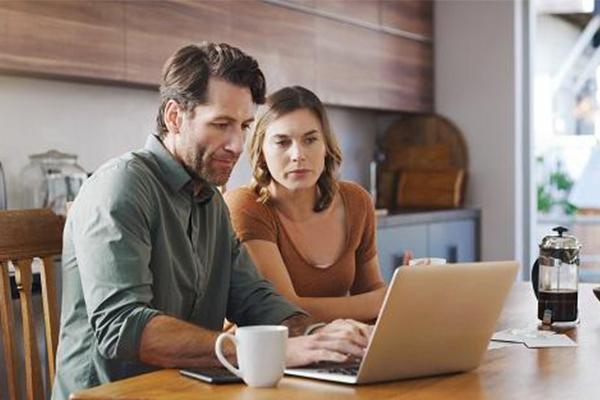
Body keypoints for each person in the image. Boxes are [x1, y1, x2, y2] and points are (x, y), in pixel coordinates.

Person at [52, 43, 371, 400]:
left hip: (187, 390)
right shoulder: (121, 186)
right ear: (174, 116)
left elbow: (254, 299)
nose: (236, 145)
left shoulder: (210, 199)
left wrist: (314, 336)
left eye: (244, 126)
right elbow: (123, 327)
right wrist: (264, 350)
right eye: (221, 124)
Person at [225, 86, 402, 323]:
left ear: (326, 145)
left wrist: (404, 288)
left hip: (336, 349)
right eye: (282, 142)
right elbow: (285, 310)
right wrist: (383, 300)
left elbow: (370, 291)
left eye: (310, 139)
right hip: (265, 354)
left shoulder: (356, 201)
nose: (298, 154)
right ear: (261, 152)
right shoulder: (246, 206)